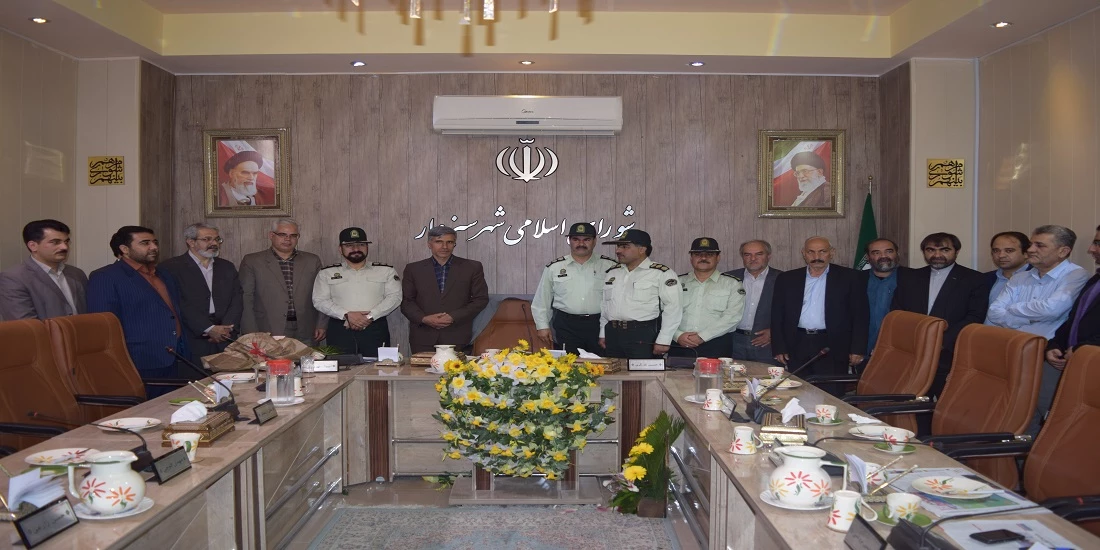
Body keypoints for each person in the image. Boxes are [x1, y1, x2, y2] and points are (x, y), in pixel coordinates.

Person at [86, 226, 190, 396]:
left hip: (176, 356)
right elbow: (104, 325)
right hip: (139, 360)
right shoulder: (106, 277)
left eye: (155, 242)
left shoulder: (163, 274)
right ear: (125, 249)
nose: (154, 247)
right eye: (145, 243)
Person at [892, 232, 988, 398]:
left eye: (944, 250)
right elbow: (898, 312)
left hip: (950, 352)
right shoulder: (910, 277)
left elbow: (975, 316)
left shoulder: (974, 279)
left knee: (947, 401)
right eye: (930, 250)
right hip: (913, 351)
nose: (937, 255)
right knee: (913, 400)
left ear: (956, 251)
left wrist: (941, 341)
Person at [771, 237, 868, 381]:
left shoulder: (851, 277)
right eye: (811, 252)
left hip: (833, 344)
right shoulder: (787, 278)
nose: (817, 257)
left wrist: (857, 349)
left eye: (822, 251)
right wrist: (779, 347)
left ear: (832, 252)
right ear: (803, 253)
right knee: (798, 388)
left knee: (831, 390)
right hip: (797, 343)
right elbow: (777, 315)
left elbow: (860, 316)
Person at [1042, 224, 1100, 432]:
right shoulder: (1096, 279)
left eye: (1098, 243)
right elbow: (1075, 319)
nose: (1091, 249)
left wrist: (1080, 349)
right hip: (1072, 361)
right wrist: (1055, 344)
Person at [987, 225, 1089, 339]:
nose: (1030, 250)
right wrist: (1027, 320)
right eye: (1031, 244)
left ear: (1063, 252)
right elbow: (994, 312)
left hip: (1047, 346)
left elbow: (1051, 310)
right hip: (1013, 342)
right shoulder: (1019, 277)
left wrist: (1012, 308)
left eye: (1039, 245)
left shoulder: (1075, 274)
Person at [159, 223, 243, 361]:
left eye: (217, 239)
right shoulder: (171, 268)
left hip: (225, 338)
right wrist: (209, 328)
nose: (214, 243)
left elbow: (237, 299)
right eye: (207, 239)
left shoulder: (226, 266)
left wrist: (227, 329)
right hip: (192, 338)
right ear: (191, 242)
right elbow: (177, 303)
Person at [530, 222, 617, 354]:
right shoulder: (555, 267)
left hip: (600, 325)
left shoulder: (610, 266)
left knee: (601, 364)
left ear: (594, 241)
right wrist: (542, 326)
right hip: (566, 326)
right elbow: (542, 300)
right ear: (569, 241)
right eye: (576, 239)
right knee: (569, 364)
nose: (581, 243)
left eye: (586, 239)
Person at [313, 227, 401, 356]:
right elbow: (319, 300)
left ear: (367, 247)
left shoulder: (386, 271)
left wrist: (369, 317)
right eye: (349, 245)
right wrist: (346, 315)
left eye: (361, 244)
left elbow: (395, 297)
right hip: (340, 329)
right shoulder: (327, 273)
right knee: (340, 367)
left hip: (375, 328)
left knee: (378, 367)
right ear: (340, 249)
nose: (356, 249)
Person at [401, 226, 489, 353]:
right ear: (429, 244)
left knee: (458, 367)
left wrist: (453, 317)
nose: (444, 247)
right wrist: (424, 318)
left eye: (450, 242)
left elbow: (480, 299)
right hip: (423, 337)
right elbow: (407, 302)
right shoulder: (413, 269)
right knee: (421, 367)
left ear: (454, 244)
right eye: (439, 242)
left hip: (457, 336)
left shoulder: (472, 267)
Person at [239, 218, 327, 344]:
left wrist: (321, 324)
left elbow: (322, 295)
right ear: (271, 235)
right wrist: (251, 332)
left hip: (306, 329)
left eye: (293, 236)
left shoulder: (312, 261)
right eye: (282, 235)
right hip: (267, 329)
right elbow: (246, 298)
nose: (288, 239)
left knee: (306, 357)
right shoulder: (252, 261)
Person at [598, 229, 683, 359]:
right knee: (614, 371)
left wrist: (664, 339)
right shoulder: (613, 272)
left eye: (625, 247)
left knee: (642, 371)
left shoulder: (660, 273)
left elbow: (673, 308)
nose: (618, 251)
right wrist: (603, 332)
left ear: (642, 249)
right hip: (613, 334)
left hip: (642, 334)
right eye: (618, 246)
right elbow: (605, 306)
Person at [671, 238, 744, 358]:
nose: (703, 258)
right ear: (691, 258)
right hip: (680, 344)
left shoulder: (732, 284)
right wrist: (677, 335)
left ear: (718, 258)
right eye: (698, 254)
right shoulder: (676, 283)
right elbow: (664, 312)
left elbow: (733, 316)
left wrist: (702, 337)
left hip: (716, 344)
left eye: (709, 254)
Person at [0, 219, 87, 320]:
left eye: (66, 241)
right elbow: (25, 325)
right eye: (55, 242)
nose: (64, 247)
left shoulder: (77, 273)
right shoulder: (13, 278)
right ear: (33, 246)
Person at [725, 240, 782, 365]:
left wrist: (775, 332)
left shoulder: (783, 278)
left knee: (766, 377)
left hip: (767, 343)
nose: (753, 258)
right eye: (747, 255)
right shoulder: (728, 278)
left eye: (759, 254)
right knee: (733, 376)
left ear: (768, 256)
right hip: (734, 342)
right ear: (742, 257)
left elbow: (792, 312)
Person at [860, 238, 902, 360]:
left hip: (900, 352)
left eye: (889, 251)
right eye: (876, 252)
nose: (883, 256)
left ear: (897, 254)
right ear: (868, 257)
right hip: (863, 351)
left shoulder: (913, 279)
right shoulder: (857, 279)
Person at [986, 231, 1031, 301]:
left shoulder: (1038, 277)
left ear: (1026, 254)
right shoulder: (985, 279)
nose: (1001, 255)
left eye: (1009, 251)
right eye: (996, 251)